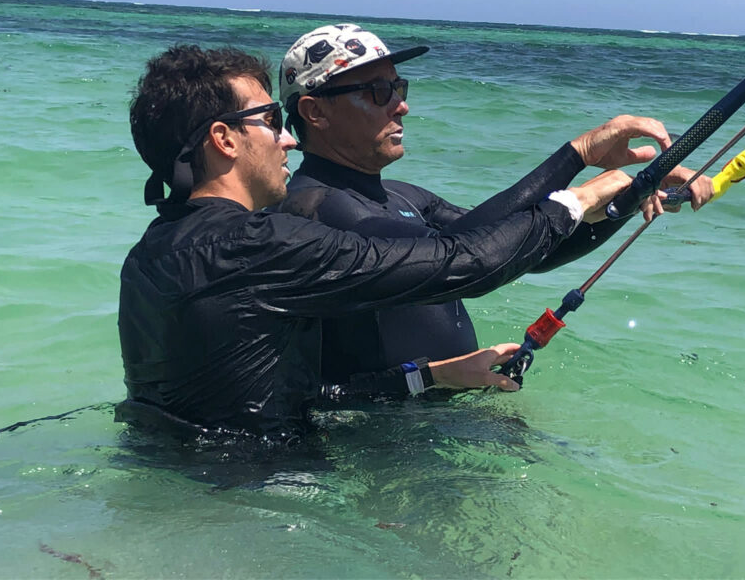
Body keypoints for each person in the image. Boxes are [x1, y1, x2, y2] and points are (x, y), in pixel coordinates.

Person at [116, 44, 638, 440]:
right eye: (271, 121)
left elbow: (296, 397)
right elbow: (464, 262)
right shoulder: (265, 243)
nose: (288, 139)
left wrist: (427, 379)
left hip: (181, 484)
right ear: (224, 139)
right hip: (261, 508)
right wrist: (575, 196)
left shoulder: (148, 254)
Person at [276, 24, 713, 385]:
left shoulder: (403, 196)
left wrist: (632, 194)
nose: (402, 105)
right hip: (386, 442)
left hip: (444, 424)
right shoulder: (315, 211)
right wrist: (577, 156)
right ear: (315, 113)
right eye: (378, 92)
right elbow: (467, 256)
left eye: (398, 86)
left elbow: (519, 249)